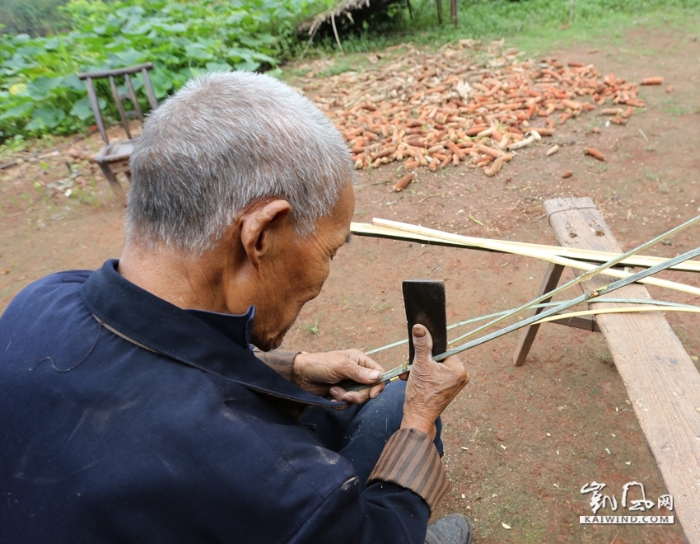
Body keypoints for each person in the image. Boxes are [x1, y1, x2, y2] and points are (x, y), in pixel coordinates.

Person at [0, 71, 471, 544]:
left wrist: (295, 367)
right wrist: (420, 418)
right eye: (330, 251)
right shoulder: (280, 482)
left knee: (386, 399)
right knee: (402, 417)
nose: (323, 280)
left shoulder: (41, 299)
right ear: (261, 236)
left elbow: (159, 347)